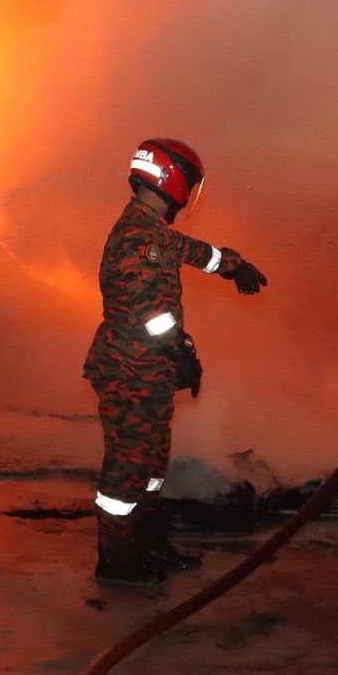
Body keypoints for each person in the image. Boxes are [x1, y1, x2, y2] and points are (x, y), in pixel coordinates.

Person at [84, 137, 268, 586]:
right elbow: (147, 312)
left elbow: (190, 250)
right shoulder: (137, 236)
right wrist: (179, 350)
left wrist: (232, 265)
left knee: (151, 466)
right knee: (128, 468)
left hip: (148, 370)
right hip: (129, 370)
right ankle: (117, 559)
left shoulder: (151, 230)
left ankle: (148, 541)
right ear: (173, 179)